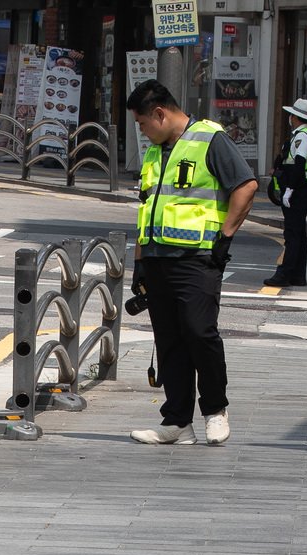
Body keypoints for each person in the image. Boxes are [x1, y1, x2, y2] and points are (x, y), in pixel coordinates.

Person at [125, 79, 256, 446]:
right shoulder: (155, 152)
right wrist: (140, 263)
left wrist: (224, 239)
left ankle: (215, 411)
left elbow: (245, 186)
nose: (142, 131)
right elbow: (147, 209)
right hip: (157, 259)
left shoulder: (209, 140)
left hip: (197, 258)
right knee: (169, 341)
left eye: (142, 124)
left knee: (200, 333)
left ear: (160, 113)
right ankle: (177, 422)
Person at [264, 98, 307, 288]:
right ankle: (297, 275)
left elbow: (299, 165)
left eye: (291, 115)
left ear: (295, 117)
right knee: (298, 234)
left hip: (297, 192)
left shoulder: (302, 136)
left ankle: (284, 274)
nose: (289, 117)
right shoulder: (303, 134)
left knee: (292, 235)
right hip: (299, 191)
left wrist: (289, 190)